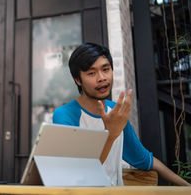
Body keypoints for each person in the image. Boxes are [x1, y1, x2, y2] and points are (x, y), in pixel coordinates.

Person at [53, 42, 190, 186]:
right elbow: (80, 175)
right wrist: (110, 135)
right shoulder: (64, 115)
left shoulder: (116, 112)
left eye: (106, 69)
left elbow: (144, 159)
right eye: (91, 73)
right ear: (77, 80)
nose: (101, 78)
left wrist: (187, 187)